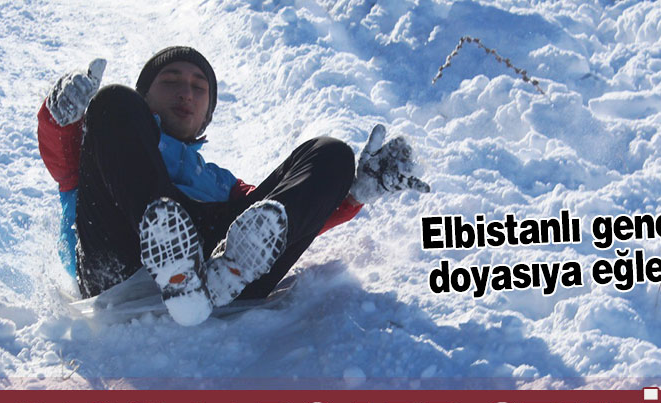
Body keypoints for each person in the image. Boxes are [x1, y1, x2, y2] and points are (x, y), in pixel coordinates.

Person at [38, 46, 429, 325]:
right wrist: (60, 116)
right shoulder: (103, 143)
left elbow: (283, 220)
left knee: (332, 153)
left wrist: (351, 193)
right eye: (170, 80)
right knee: (111, 100)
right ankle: (169, 253)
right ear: (145, 101)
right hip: (120, 268)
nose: (185, 92)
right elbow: (64, 155)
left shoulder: (223, 185)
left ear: (207, 116)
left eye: (199, 88)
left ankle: (226, 271)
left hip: (217, 278)